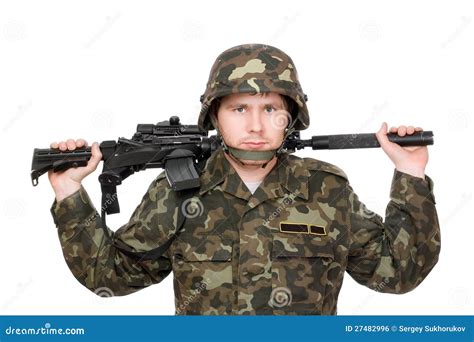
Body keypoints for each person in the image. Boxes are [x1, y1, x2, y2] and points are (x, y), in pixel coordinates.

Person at [49, 43, 440, 315]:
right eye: (239, 108)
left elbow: (397, 273)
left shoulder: (326, 190)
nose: (255, 125)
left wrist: (410, 173)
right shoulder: (178, 189)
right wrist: (69, 192)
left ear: (291, 117)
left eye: (270, 108)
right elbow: (111, 275)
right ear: (214, 116)